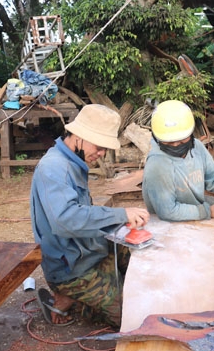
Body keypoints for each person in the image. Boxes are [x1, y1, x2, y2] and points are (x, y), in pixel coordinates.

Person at [30, 104, 150, 327]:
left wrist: (118, 221)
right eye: (99, 146)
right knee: (132, 317)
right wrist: (120, 214)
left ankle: (80, 298)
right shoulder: (54, 167)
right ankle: (70, 297)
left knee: (142, 258)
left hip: (86, 252)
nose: (102, 153)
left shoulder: (72, 161)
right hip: (71, 269)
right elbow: (66, 220)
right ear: (78, 136)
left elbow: (83, 216)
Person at [142, 100, 214, 221]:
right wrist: (210, 211)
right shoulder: (157, 164)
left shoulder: (196, 147)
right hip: (170, 227)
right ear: (156, 137)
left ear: (191, 132)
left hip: (197, 216)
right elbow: (168, 211)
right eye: (169, 141)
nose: (176, 145)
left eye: (181, 139)